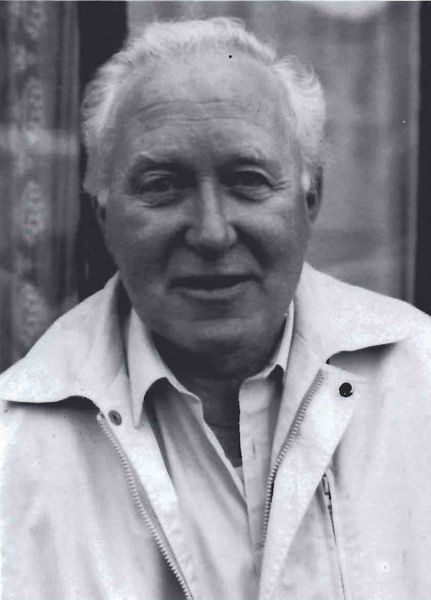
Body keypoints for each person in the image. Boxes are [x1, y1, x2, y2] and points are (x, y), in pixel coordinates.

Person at [1, 17, 431, 600]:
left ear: (310, 199)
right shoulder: (14, 447)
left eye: (247, 180)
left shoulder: (422, 380)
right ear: (103, 215)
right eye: (162, 185)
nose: (211, 232)